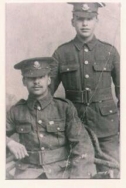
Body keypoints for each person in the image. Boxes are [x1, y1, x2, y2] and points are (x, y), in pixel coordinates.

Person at [52, 3, 120, 175]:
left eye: (89, 19)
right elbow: (46, 94)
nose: (85, 24)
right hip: (75, 126)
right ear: (72, 21)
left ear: (97, 20)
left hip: (107, 127)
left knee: (114, 171)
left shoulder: (110, 52)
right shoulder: (61, 53)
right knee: (79, 173)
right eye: (80, 19)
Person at [6, 57, 96, 179]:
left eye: (41, 77)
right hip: (27, 173)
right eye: (31, 78)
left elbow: (82, 145)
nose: (36, 82)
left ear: (49, 80)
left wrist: (77, 179)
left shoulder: (64, 108)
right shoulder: (16, 111)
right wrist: (9, 142)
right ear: (24, 81)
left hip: (61, 172)